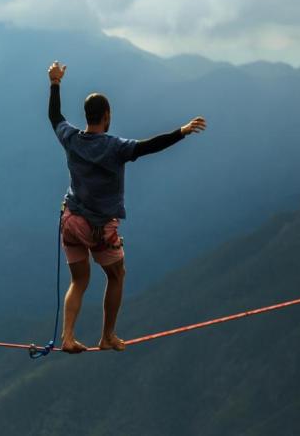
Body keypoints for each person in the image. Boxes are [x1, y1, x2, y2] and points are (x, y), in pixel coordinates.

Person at [47, 60, 206, 353]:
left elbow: (55, 116)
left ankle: (67, 337)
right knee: (116, 275)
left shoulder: (71, 139)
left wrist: (55, 82)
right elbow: (149, 146)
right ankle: (107, 336)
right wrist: (181, 131)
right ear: (107, 116)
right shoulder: (116, 147)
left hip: (71, 222)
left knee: (79, 280)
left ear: (87, 116)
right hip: (99, 227)